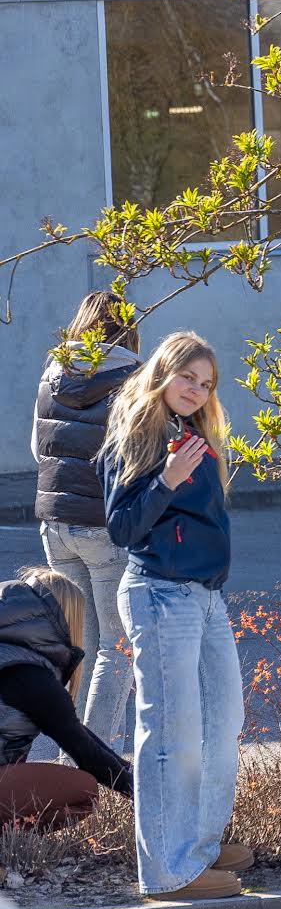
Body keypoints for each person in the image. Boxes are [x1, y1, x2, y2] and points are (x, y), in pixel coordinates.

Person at [101, 332, 250, 900]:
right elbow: (123, 527)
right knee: (171, 734)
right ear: (164, 372)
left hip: (206, 597)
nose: (196, 390)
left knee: (222, 722)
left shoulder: (194, 435)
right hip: (160, 594)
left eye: (206, 383)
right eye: (188, 377)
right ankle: (168, 870)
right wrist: (166, 479)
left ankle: (201, 845)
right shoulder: (135, 437)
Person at [31, 292, 139, 751]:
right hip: (103, 524)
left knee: (78, 647)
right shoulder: (135, 380)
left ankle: (66, 761)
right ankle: (90, 764)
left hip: (54, 524)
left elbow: (38, 450)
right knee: (117, 650)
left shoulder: (51, 375)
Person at [0, 567, 133, 830]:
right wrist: (143, 792)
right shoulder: (30, 675)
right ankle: (8, 846)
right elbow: (84, 752)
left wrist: (127, 769)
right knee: (83, 790)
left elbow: (72, 729)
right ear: (67, 619)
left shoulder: (12, 657)